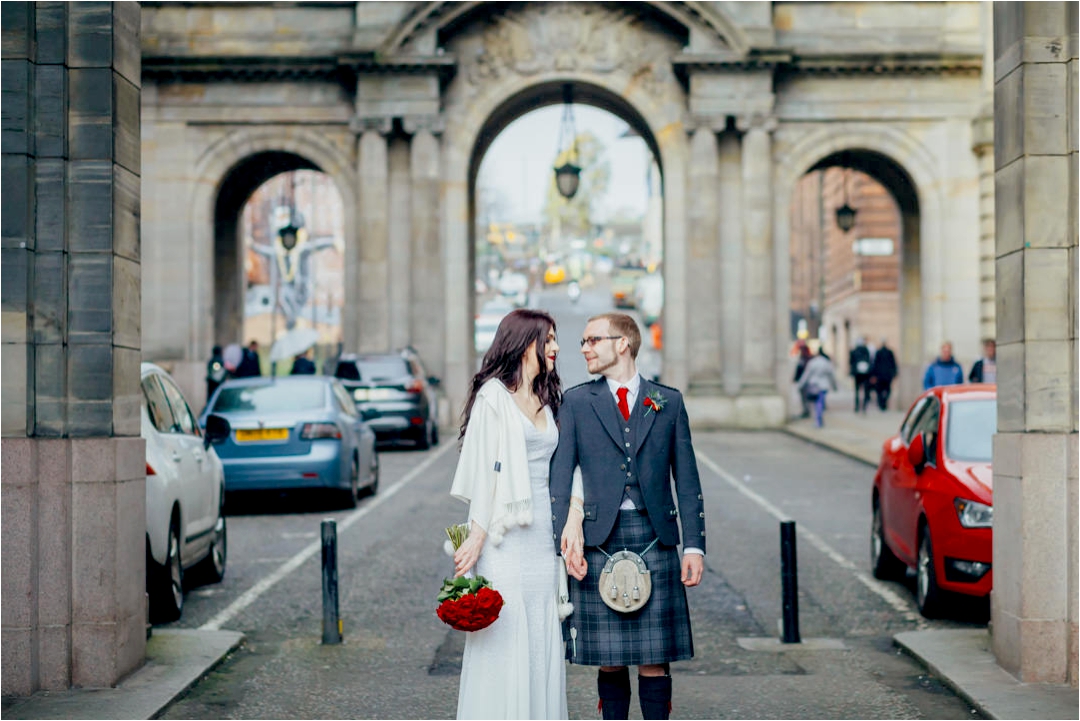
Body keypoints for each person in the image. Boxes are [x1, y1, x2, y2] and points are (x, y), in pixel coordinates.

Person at [551, 313, 705, 721]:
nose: (584, 347)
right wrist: (562, 542)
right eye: (583, 341)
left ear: (623, 343)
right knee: (611, 660)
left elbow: (686, 480)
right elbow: (561, 478)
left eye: (592, 340)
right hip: (598, 536)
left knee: (654, 659)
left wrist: (694, 546)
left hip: (655, 534)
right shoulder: (579, 402)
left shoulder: (667, 401)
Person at [449, 309, 568, 720]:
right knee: (505, 635)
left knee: (539, 634)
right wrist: (476, 536)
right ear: (524, 343)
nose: (555, 347)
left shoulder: (548, 396)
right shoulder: (492, 398)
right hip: (504, 537)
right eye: (548, 339)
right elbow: (484, 470)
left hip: (542, 540)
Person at [798, 348, 838, 427]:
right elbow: (831, 375)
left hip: (814, 385)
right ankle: (819, 419)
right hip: (823, 386)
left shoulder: (812, 362)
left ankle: (818, 420)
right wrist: (834, 386)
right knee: (820, 402)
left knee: (815, 403)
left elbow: (806, 374)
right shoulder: (826, 363)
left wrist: (801, 384)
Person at [869, 338, 897, 411]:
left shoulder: (879, 352)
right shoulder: (888, 352)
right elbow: (893, 363)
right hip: (887, 375)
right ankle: (883, 402)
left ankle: (881, 402)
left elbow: (875, 364)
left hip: (880, 375)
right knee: (887, 389)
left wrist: (873, 374)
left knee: (880, 390)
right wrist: (894, 373)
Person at [848, 337, 872, 413]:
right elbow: (869, 360)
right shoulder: (865, 351)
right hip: (865, 373)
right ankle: (864, 406)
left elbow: (851, 362)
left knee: (857, 390)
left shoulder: (854, 351)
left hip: (857, 373)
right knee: (864, 390)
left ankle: (857, 406)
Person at [793, 341, 813, 418]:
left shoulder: (804, 359)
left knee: (804, 397)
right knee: (805, 397)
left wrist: (796, 379)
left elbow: (801, 370)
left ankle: (806, 411)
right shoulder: (808, 358)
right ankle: (806, 410)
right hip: (805, 381)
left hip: (804, 381)